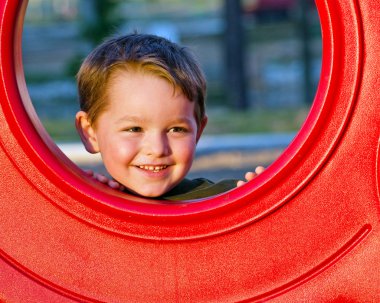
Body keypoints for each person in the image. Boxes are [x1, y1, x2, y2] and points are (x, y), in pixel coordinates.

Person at [75, 33, 264, 201]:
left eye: (177, 129)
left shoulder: (228, 199)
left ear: (198, 131)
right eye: (134, 129)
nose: (157, 149)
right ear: (90, 133)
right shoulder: (82, 206)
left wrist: (266, 208)